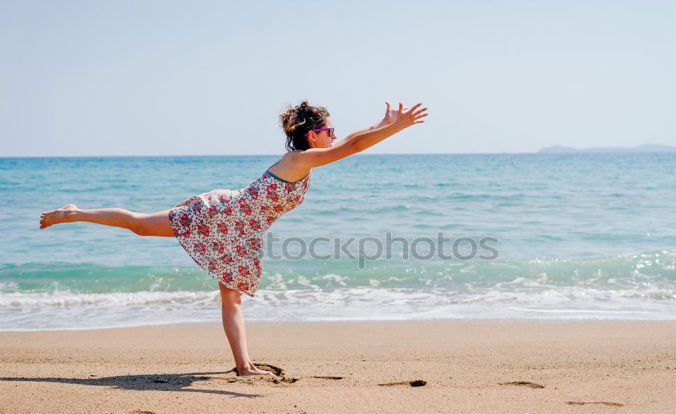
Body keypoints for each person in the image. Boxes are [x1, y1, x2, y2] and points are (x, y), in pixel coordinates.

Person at [39, 101, 428, 376]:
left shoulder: (308, 157)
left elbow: (353, 139)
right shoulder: (300, 160)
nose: (334, 135)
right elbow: (354, 145)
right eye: (328, 130)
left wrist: (381, 123)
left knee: (232, 297)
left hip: (240, 231)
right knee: (141, 225)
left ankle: (244, 365)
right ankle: (74, 213)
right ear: (313, 135)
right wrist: (395, 128)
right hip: (221, 215)